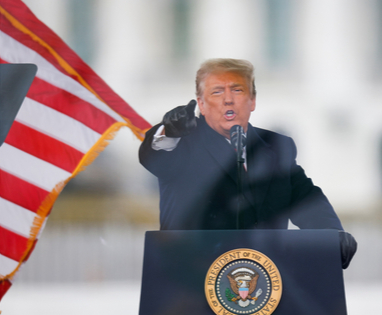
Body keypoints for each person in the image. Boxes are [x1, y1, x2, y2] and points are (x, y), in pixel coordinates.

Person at [139, 58, 356, 268]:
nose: (228, 99)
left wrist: (331, 235)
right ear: (201, 105)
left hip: (263, 285)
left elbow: (305, 200)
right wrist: (169, 132)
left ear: (252, 101)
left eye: (237, 90)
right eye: (217, 92)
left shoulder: (277, 146)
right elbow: (156, 157)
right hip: (191, 282)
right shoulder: (183, 143)